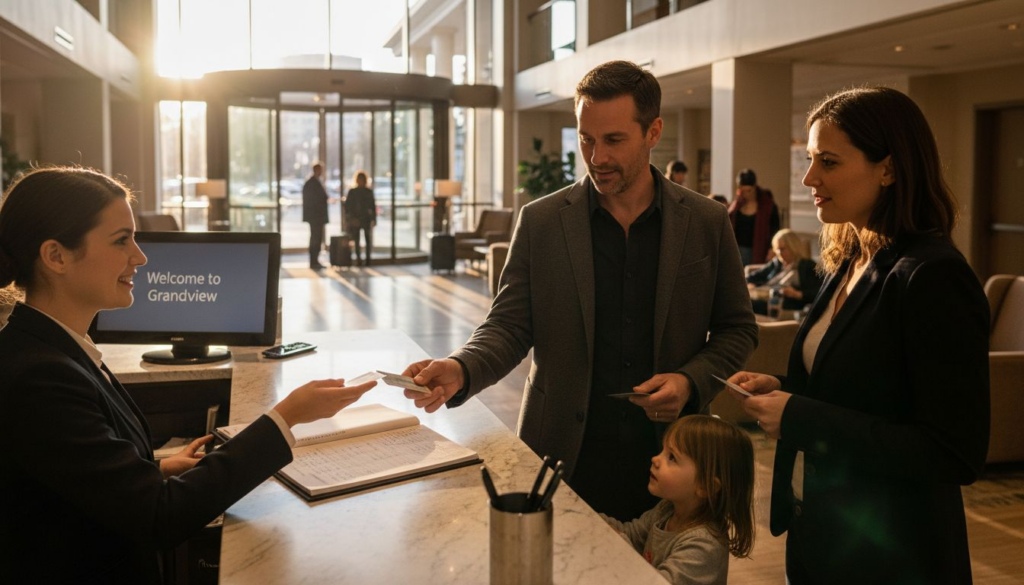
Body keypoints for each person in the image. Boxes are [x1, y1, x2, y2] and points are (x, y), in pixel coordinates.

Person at [401, 61, 757, 521]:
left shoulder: (707, 221)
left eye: (613, 140)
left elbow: (737, 330)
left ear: (653, 132)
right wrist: (461, 366)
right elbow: (509, 325)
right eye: (586, 139)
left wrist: (690, 381)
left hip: (674, 456)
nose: (596, 157)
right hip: (561, 453)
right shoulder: (542, 220)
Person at [0, 167, 377, 584]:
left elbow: (68, 479)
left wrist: (155, 470)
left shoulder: (57, 348)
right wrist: (286, 416)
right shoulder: (37, 377)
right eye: (121, 240)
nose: (140, 257)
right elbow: (160, 517)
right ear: (56, 256)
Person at [725, 87, 989, 584]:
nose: (808, 179)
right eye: (809, 159)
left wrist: (799, 415)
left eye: (828, 161)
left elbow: (952, 451)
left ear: (888, 169)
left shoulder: (932, 276)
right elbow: (864, 388)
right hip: (818, 529)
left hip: (891, 553)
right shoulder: (849, 259)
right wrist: (785, 388)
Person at [603, 415, 754, 585]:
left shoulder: (703, 545)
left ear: (706, 487)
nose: (656, 459)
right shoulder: (667, 510)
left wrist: (617, 542)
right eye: (663, 450)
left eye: (672, 457)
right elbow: (632, 533)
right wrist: (593, 520)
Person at [746, 229, 822, 315]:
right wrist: (751, 284)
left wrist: (796, 294)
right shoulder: (777, 262)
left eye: (782, 249)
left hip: (784, 303)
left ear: (793, 247)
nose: (779, 253)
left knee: (746, 304)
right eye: (777, 249)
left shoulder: (807, 266)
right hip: (764, 295)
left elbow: (819, 292)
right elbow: (750, 277)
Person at [729, 169, 779, 266]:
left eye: (749, 191)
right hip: (738, 249)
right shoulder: (737, 205)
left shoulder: (767, 206)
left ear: (755, 187)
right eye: (743, 191)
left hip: (758, 249)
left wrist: (772, 248)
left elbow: (775, 229)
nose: (746, 194)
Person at [343, 171, 377, 267]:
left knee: (367, 240)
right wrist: (351, 219)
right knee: (357, 240)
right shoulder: (353, 192)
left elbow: (372, 207)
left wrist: (374, 219)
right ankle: (358, 260)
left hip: (365, 219)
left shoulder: (367, 192)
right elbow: (348, 207)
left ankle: (367, 260)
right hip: (357, 219)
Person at [302, 162, 329, 270]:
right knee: (315, 238)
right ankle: (314, 261)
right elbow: (315, 200)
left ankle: (314, 260)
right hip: (316, 217)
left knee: (316, 238)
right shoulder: (313, 183)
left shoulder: (313, 182)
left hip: (316, 217)